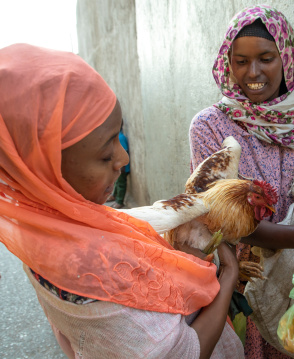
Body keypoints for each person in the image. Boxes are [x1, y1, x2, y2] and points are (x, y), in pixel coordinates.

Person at [0, 44, 244, 359]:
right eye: (104, 155)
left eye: (119, 136)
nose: (123, 158)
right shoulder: (90, 276)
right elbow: (184, 352)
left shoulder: (43, 230)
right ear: (42, 170)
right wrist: (228, 279)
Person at [189, 5, 294, 358]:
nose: (252, 72)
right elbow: (224, 221)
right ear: (228, 62)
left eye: (266, 58)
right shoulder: (209, 126)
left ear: (287, 58)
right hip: (246, 279)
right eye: (240, 61)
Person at [110, 125, 130, 209]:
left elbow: (123, 152)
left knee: (121, 183)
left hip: (122, 167)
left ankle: (120, 201)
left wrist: (121, 167)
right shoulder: (116, 137)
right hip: (118, 166)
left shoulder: (121, 138)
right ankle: (115, 196)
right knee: (117, 182)